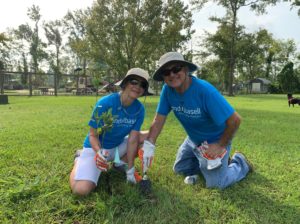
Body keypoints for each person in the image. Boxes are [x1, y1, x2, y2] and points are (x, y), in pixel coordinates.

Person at [141, 52, 253, 189]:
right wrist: (150, 144)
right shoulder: (168, 90)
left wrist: (220, 145)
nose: (172, 74)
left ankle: (240, 162)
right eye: (166, 72)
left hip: (215, 139)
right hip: (193, 140)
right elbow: (158, 120)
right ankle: (210, 161)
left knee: (216, 184)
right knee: (180, 169)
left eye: (176, 69)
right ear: (163, 77)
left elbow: (235, 120)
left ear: (186, 70)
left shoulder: (205, 91)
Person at [70, 68, 151, 196]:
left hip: (116, 148)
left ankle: (120, 164)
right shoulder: (105, 103)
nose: (138, 87)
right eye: (134, 82)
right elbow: (93, 134)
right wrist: (99, 152)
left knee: (149, 136)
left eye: (143, 85)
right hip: (96, 148)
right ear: (125, 84)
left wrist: (130, 169)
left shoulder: (139, 109)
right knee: (81, 190)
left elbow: (133, 139)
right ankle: (79, 158)